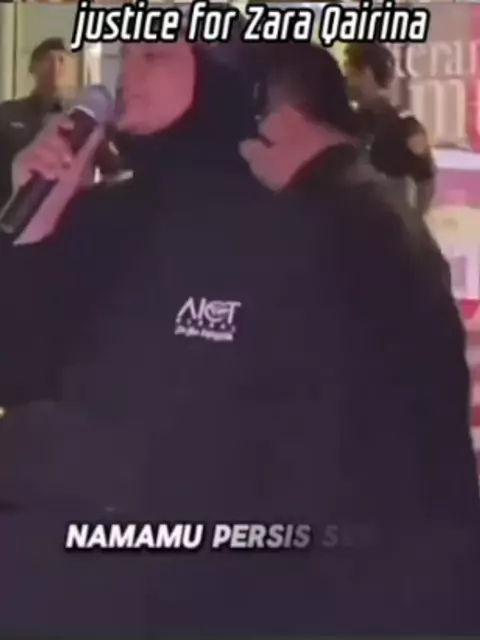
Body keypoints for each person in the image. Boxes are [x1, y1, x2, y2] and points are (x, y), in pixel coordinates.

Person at [240, 42, 480, 634]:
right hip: (409, 551)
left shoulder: (333, 220)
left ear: (279, 120)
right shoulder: (351, 202)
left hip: (377, 563)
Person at [344, 42, 436, 218]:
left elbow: (426, 181)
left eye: (349, 72)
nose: (345, 79)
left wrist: (413, 223)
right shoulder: (348, 121)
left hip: (385, 227)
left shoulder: (405, 126)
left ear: (366, 74)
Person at [0, 38, 70, 210]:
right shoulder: (7, 112)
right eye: (47, 59)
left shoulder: (76, 120)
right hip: (9, 214)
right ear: (32, 67)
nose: (55, 66)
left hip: (62, 219)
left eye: (61, 60)